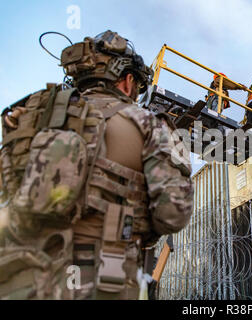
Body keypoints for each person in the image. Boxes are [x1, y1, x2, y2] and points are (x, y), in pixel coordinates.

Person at [0, 30, 194, 300]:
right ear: (128, 81)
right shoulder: (149, 125)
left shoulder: (28, 117)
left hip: (17, 278)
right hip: (101, 280)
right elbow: (173, 214)